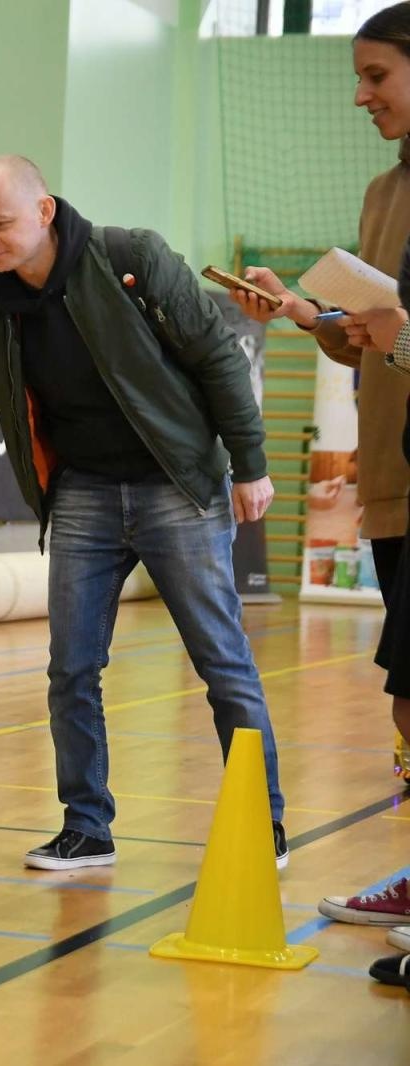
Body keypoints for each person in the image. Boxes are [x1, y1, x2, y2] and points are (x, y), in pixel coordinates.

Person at [0, 156, 287, 871]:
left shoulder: (132, 258)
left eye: (0, 223)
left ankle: (261, 822)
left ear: (45, 211)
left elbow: (218, 360)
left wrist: (250, 465)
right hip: (83, 493)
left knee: (222, 664)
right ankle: (86, 825)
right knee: (71, 670)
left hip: (176, 485)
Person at [294, 0, 410, 976]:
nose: (360, 94)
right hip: (390, 479)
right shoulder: (382, 189)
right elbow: (368, 331)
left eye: (377, 74)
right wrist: (312, 319)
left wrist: (395, 333)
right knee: (406, 696)